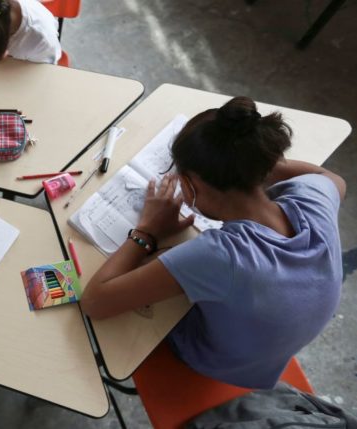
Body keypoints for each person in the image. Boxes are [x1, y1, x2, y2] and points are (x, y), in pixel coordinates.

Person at [78, 97, 346, 389]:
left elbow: (95, 302)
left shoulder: (222, 256)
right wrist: (254, 164)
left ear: (191, 188)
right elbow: (333, 178)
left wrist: (148, 231)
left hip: (216, 362)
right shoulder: (316, 197)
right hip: (267, 354)